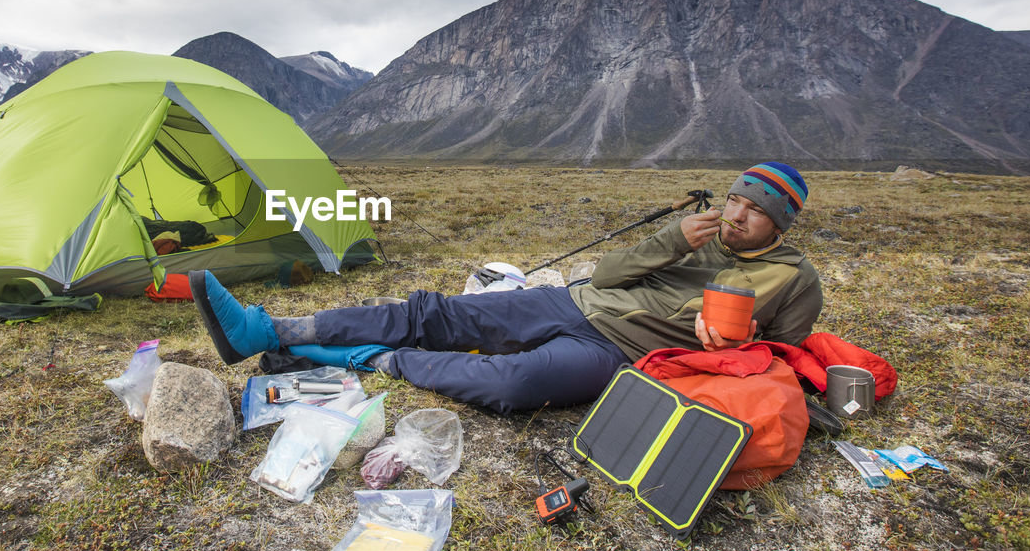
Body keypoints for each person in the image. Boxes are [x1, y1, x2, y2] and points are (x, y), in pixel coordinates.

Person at [191, 162, 823, 415]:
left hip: (620, 353)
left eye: (754, 210)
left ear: (781, 221)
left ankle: (369, 358)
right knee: (437, 314)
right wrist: (672, 239)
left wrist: (726, 351)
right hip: (571, 300)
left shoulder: (795, 280)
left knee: (511, 385)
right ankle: (269, 331)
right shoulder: (698, 234)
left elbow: (784, 360)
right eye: (736, 198)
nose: (736, 215)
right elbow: (605, 276)